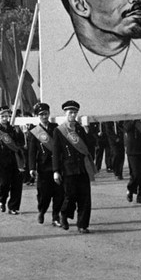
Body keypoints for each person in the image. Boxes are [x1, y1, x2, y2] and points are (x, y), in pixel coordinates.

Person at [53, 100, 95, 233]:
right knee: (70, 196)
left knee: (85, 197)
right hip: (68, 168)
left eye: (75, 113)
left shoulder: (80, 129)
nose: (73, 115)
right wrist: (56, 171)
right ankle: (64, 215)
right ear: (65, 113)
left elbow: (89, 147)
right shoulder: (59, 130)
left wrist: (88, 132)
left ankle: (82, 225)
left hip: (82, 167)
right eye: (70, 112)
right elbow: (56, 152)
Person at [27, 103, 65, 226]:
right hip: (43, 167)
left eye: (46, 113)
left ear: (49, 114)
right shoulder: (34, 131)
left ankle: (55, 217)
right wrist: (32, 168)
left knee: (59, 193)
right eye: (41, 114)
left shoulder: (56, 128)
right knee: (44, 193)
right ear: (38, 116)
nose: (44, 116)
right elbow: (32, 152)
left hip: (57, 165)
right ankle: (42, 211)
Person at [0, 105, 26, 215]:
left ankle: (13, 207)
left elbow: (21, 143)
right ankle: (2, 200)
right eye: (3, 116)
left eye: (7, 116)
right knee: (4, 183)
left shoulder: (14, 128)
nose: (5, 119)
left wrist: (20, 132)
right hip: (2, 161)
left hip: (16, 160)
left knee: (17, 184)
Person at [123, 118, 141, 204]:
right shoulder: (127, 119)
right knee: (136, 173)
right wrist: (134, 120)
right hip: (133, 150)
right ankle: (130, 189)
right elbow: (126, 128)